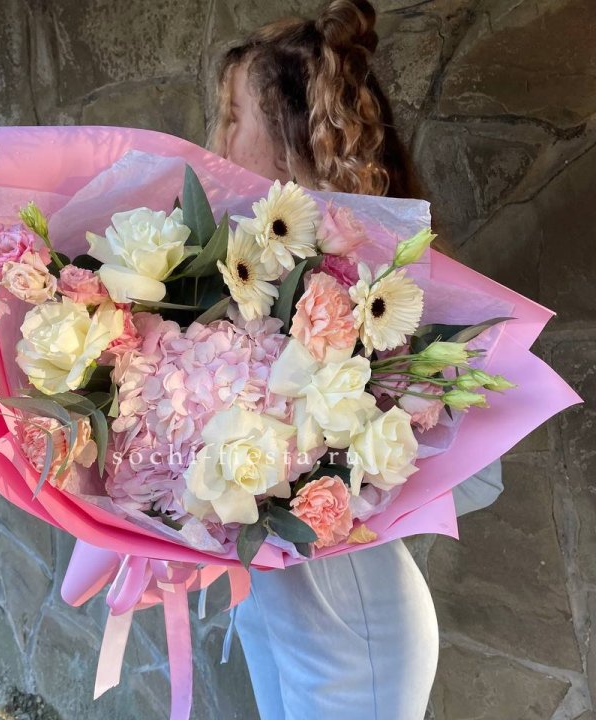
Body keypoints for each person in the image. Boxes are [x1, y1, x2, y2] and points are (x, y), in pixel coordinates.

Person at [205, 2, 504, 719]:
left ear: (291, 148)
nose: (213, 139)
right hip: (271, 611)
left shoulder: (370, 299)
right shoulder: (240, 279)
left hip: (356, 634)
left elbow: (474, 473)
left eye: (231, 118)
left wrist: (334, 456)